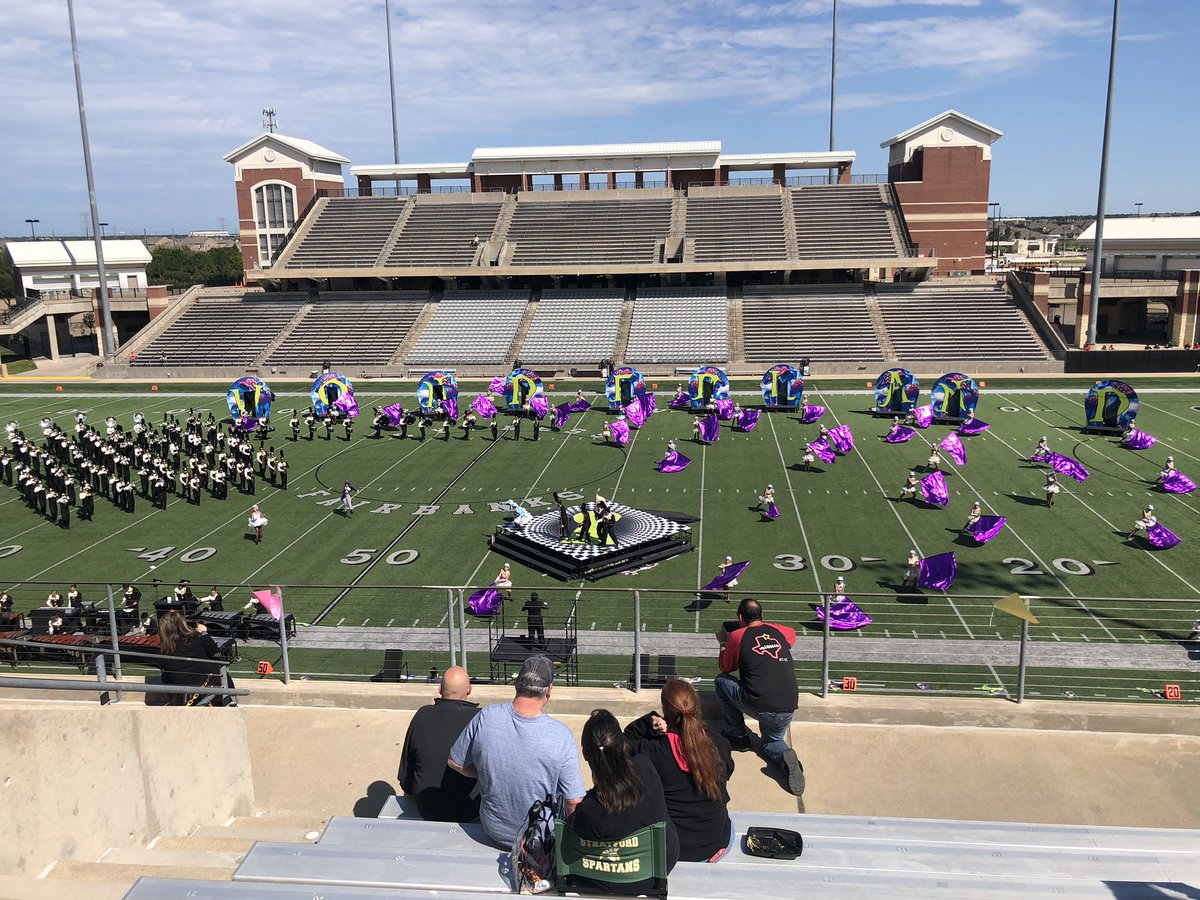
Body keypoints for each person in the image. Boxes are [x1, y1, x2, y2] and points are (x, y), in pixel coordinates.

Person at [448, 656, 585, 848]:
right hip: (539, 838)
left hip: (493, 829)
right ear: (549, 690)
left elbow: (455, 762)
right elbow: (574, 801)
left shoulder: (486, 716)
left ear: (516, 685)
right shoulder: (561, 735)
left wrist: (487, 774)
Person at [566, 709, 679, 895]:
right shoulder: (646, 768)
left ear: (586, 755)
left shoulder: (590, 810)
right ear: (624, 745)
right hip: (657, 871)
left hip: (607, 881)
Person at [624, 678, 735, 863]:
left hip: (669, 849)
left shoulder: (654, 751)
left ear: (665, 712)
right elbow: (726, 772)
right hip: (715, 844)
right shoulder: (720, 744)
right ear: (697, 708)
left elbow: (620, 744)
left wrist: (648, 722)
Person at [714, 598, 804, 796]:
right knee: (772, 742)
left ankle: (737, 736)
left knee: (721, 681)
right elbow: (791, 633)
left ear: (739, 618)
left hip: (760, 703)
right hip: (788, 707)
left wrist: (723, 642)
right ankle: (787, 759)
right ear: (762, 617)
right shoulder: (781, 632)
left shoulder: (737, 636)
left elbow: (726, 667)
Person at [398, 666, 481, 823]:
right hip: (470, 810)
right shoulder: (481, 719)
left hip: (427, 807)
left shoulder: (423, 715)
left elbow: (406, 772)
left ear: (440, 688)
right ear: (469, 689)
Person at [157, 611, 236, 707]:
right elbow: (216, 653)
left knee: (165, 676)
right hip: (213, 691)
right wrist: (204, 633)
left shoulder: (164, 653)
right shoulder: (197, 637)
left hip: (186, 696)